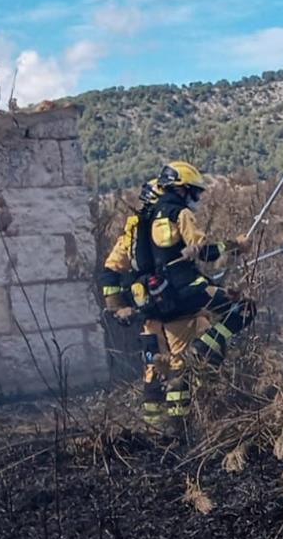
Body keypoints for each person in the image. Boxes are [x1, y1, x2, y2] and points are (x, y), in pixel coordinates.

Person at [98, 160, 252, 432]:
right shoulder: (178, 214)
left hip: (150, 304)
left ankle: (159, 428)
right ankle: (201, 360)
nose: (196, 198)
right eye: (194, 192)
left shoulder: (135, 229)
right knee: (242, 310)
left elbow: (111, 269)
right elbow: (203, 251)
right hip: (183, 295)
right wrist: (235, 246)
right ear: (181, 189)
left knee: (157, 367)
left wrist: (116, 306)